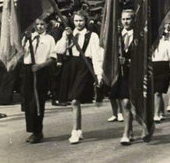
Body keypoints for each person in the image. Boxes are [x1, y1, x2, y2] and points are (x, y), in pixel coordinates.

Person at [55, 10, 103, 144]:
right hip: (70, 67)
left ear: (86, 21)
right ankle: (79, 130)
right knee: (73, 101)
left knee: (75, 100)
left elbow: (97, 56)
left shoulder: (92, 36)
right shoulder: (69, 33)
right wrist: (65, 37)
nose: (78, 23)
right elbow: (59, 50)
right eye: (76, 20)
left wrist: (98, 74)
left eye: (81, 20)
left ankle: (74, 131)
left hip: (84, 68)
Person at [22, 18, 57, 143]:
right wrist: (25, 39)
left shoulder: (49, 39)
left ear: (47, 25)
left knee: (37, 102)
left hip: (41, 71)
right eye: (37, 24)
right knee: (28, 101)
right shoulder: (29, 37)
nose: (39, 27)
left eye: (42, 24)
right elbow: (22, 52)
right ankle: (32, 130)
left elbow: (52, 58)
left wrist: (40, 66)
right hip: (28, 70)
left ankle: (38, 132)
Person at [107, 10, 135, 145]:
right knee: (124, 102)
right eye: (123, 19)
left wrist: (129, 62)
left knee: (129, 103)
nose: (126, 22)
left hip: (134, 74)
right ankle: (127, 131)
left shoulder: (139, 36)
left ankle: (128, 131)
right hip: (120, 74)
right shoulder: (117, 36)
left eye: (128, 19)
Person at [152, 24, 170, 122]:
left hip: (163, 68)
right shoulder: (149, 44)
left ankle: (156, 114)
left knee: (158, 92)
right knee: (155, 92)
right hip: (152, 67)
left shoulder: (166, 43)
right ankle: (161, 112)